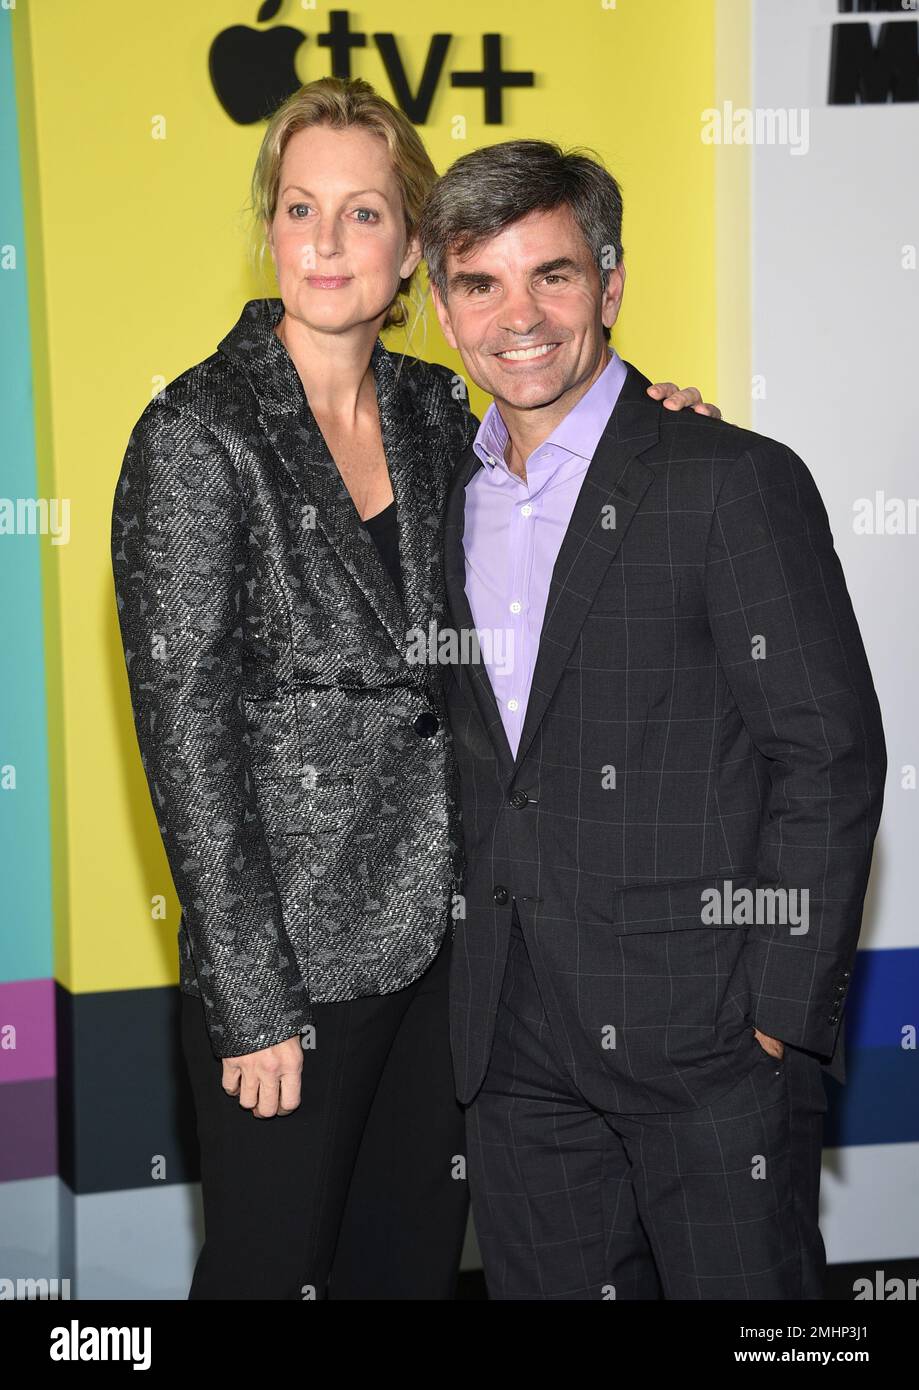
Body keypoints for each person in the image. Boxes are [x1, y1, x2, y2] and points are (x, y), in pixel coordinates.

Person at [110, 80, 714, 1300]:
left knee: (409, 1270)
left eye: (366, 213)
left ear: (414, 253)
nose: (327, 243)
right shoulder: (195, 433)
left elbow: (567, 401)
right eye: (299, 208)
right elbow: (186, 740)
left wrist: (658, 413)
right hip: (298, 970)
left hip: (457, 948)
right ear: (268, 227)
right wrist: (250, 995)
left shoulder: (446, 410)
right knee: (269, 1274)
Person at [419, 138, 887, 1300]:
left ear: (611, 286)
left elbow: (828, 754)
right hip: (514, 1042)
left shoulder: (726, 477)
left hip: (712, 1044)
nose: (516, 315)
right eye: (480, 282)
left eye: (554, 275)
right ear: (439, 306)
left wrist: (775, 1017)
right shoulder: (440, 496)